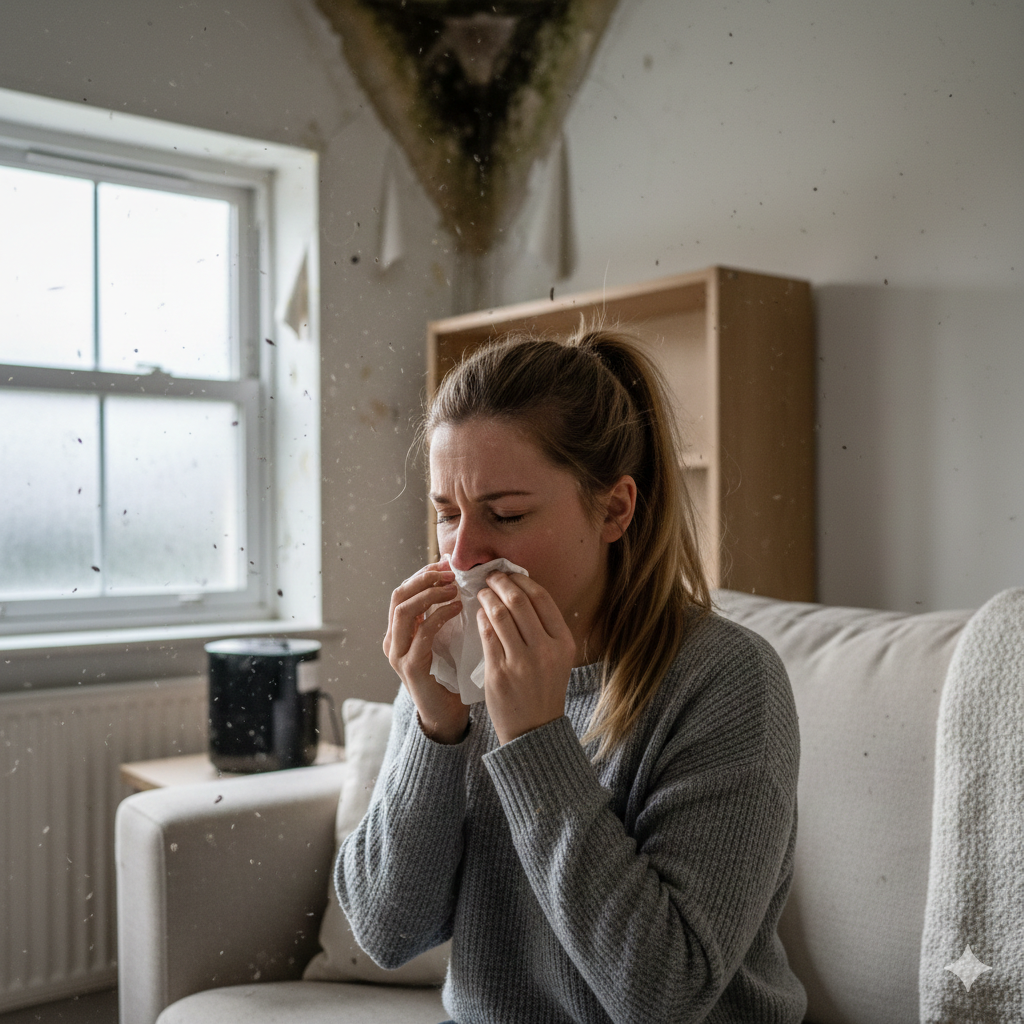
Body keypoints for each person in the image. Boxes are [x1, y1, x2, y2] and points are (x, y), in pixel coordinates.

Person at [336, 328, 806, 1023]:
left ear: (614, 509)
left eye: (506, 514)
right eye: (446, 515)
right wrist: (434, 730)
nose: (463, 554)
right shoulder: (459, 662)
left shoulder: (727, 680)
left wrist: (533, 738)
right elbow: (387, 932)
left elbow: (664, 996)